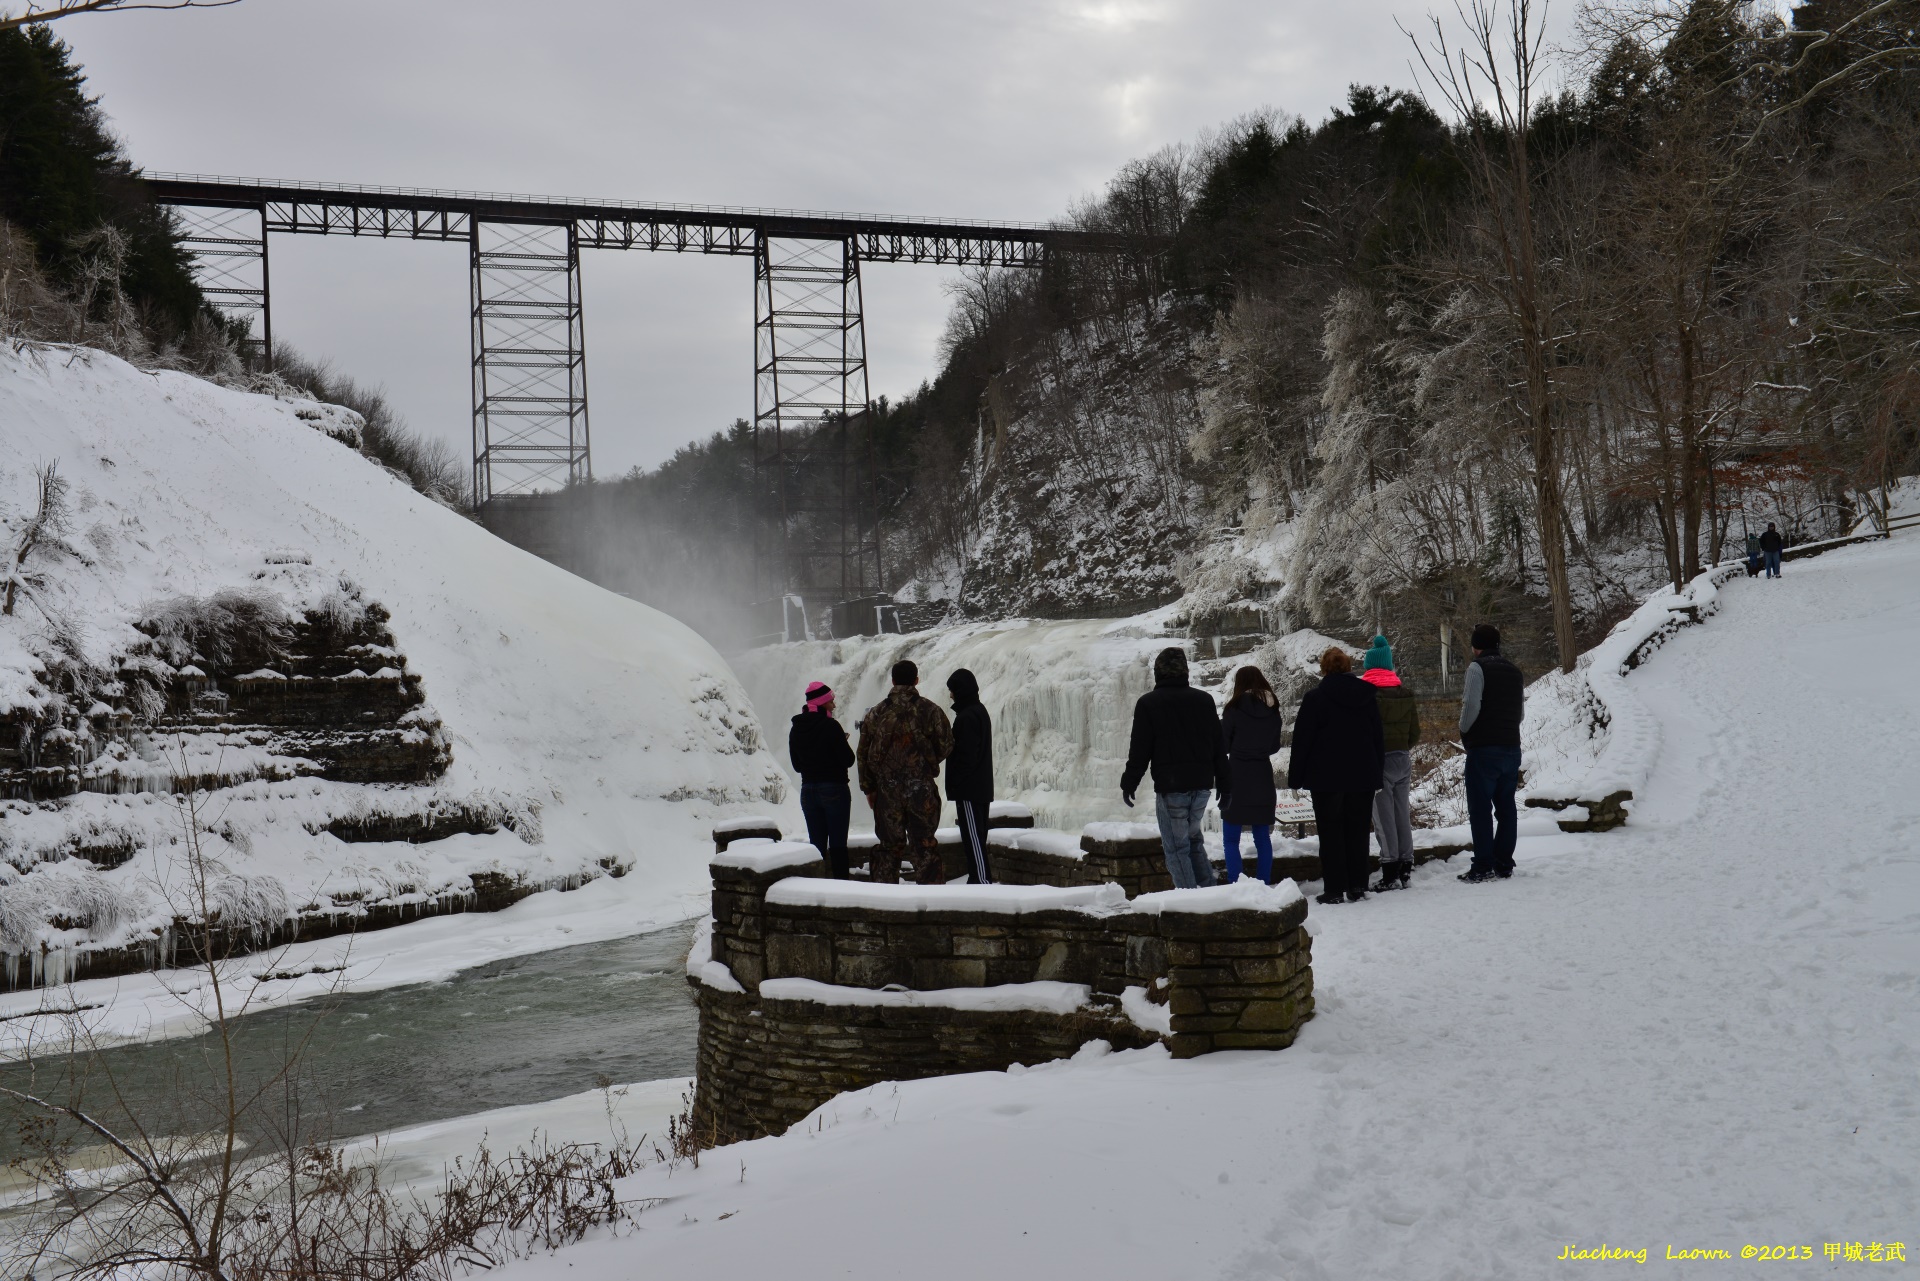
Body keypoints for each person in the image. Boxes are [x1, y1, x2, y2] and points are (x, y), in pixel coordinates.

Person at [1120, 646, 1227, 890]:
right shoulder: (1204, 700)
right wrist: (1225, 783)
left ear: (1158, 673)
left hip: (1171, 787)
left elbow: (1140, 750)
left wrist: (1129, 782)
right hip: (1201, 786)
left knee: (1176, 849)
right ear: (1185, 672)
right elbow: (1218, 746)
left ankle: (1190, 905)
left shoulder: (1148, 703)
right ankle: (1210, 898)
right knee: (1193, 841)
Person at [1288, 647, 1385, 904]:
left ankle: (1334, 889)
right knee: (1357, 832)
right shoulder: (1367, 697)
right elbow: (1378, 738)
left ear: (1324, 668)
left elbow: (1303, 741)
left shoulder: (1315, 699)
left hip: (1326, 777)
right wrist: (1378, 773)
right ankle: (1357, 885)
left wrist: (1295, 779)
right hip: (1362, 775)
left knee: (1331, 834)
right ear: (1348, 666)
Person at [856, 659, 954, 884]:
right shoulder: (931, 710)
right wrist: (926, 763)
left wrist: (869, 788)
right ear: (916, 680)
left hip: (887, 792)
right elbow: (947, 744)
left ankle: (884, 904)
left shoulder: (876, 713)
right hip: (921, 790)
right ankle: (932, 902)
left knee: (889, 848)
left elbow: (863, 754)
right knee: (925, 845)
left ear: (892, 681)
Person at [1458, 622, 1525, 883]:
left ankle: (1483, 865)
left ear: (1476, 647)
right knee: (1506, 807)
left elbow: (1471, 705)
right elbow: (1520, 713)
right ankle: (1504, 863)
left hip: (1484, 749)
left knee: (1480, 809)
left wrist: (1464, 730)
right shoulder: (1515, 671)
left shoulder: (1477, 668)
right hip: (1511, 747)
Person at [1360, 635, 1421, 892]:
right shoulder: (1405, 694)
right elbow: (1415, 733)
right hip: (1402, 759)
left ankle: (1390, 870)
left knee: (1383, 818)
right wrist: (1402, 747)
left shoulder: (1367, 695)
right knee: (1401, 815)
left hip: (1378, 760)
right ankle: (1406, 865)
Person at [1219, 665, 1283, 884]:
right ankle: (1263, 883)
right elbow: (1275, 746)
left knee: (1230, 839)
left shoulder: (1233, 708)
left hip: (1236, 775)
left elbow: (1223, 744)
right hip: (1262, 775)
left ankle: (1235, 883)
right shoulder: (1273, 708)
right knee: (1262, 837)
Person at [789, 681, 855, 878]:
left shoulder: (796, 728)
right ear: (821, 703)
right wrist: (841, 741)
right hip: (834, 789)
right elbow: (849, 760)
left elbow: (796, 765)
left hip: (808, 791)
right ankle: (842, 888)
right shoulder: (831, 726)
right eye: (831, 701)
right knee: (837, 845)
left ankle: (815, 887)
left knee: (816, 846)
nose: (834, 705)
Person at [944, 667, 995, 884]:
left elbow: (966, 757)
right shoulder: (979, 710)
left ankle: (982, 882)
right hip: (980, 787)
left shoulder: (966, 717)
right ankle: (977, 879)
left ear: (960, 691)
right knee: (976, 837)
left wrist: (956, 784)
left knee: (973, 840)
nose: (950, 695)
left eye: (952, 690)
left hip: (969, 790)